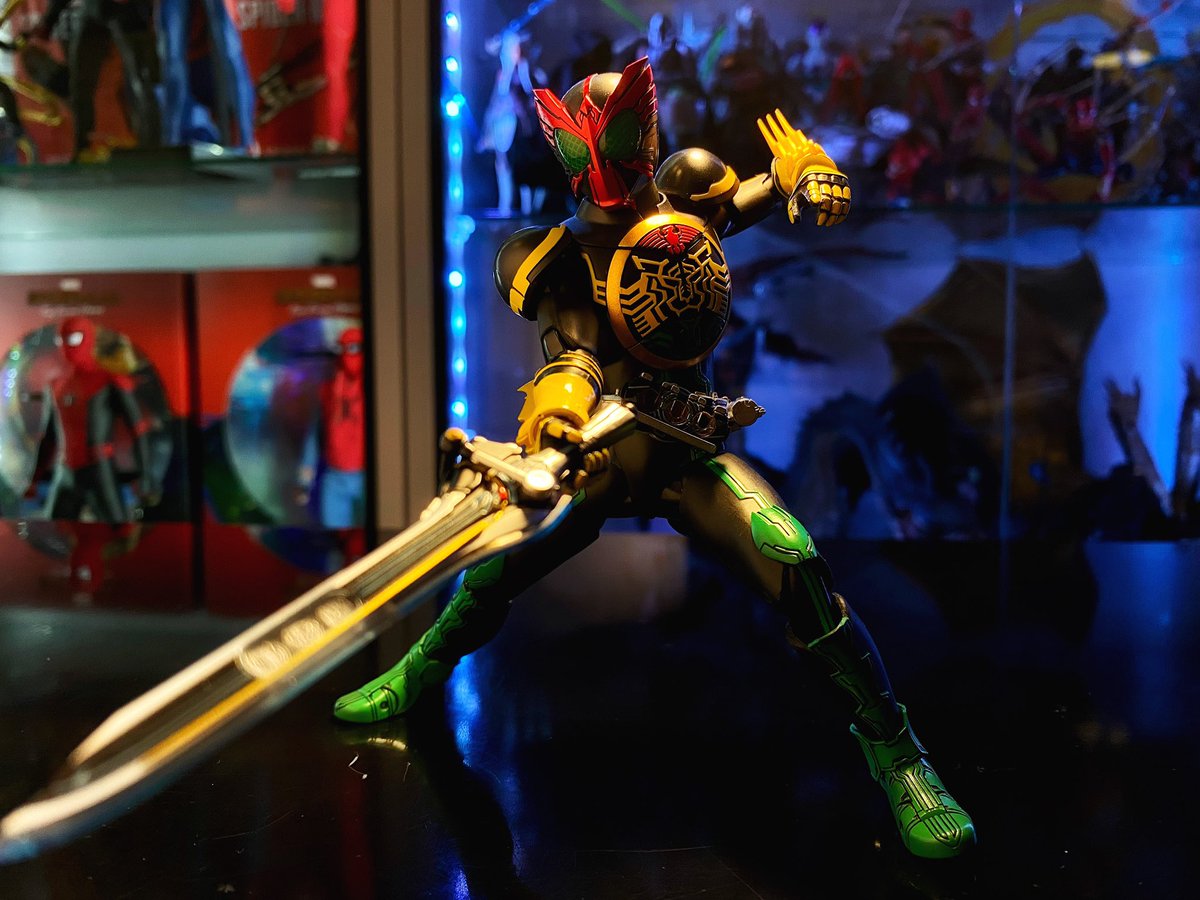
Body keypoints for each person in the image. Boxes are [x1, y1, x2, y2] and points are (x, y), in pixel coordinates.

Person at [335, 58, 975, 859]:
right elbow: (574, 357)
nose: (606, 170)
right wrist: (557, 422)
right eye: (589, 150)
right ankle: (418, 672)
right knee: (495, 567)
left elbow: (755, 197)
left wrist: (804, 173)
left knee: (794, 558)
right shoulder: (553, 257)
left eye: (617, 143)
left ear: (645, 135)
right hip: (594, 461)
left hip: (684, 458)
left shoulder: (687, 209)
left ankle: (899, 753)